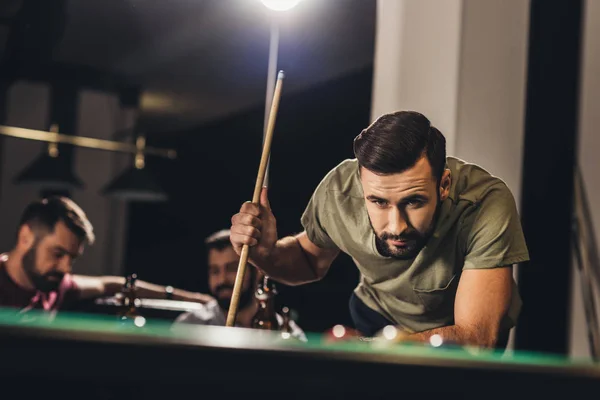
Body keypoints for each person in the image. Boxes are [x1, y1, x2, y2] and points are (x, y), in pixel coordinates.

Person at [230, 110, 530, 349]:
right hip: (378, 316)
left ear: (444, 185)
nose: (396, 226)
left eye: (413, 201)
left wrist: (368, 349)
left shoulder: (485, 203)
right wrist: (264, 254)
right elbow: (309, 261)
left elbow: (476, 337)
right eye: (378, 201)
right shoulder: (340, 191)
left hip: (456, 337)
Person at [0, 196, 213, 313]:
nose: (66, 268)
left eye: (72, 258)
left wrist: (195, 299)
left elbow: (113, 285)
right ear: (26, 237)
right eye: (58, 254)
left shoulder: (55, 285)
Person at [173, 229, 306, 341]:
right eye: (215, 271)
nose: (222, 280)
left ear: (258, 271)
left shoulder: (286, 333)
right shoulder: (189, 327)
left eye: (232, 269)